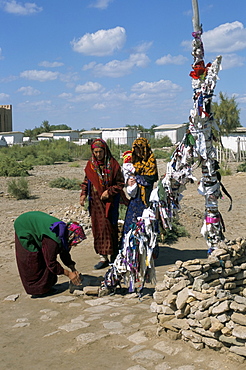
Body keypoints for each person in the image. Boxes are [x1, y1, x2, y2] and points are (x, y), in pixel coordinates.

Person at [14, 211, 86, 297]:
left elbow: (64, 252)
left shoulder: (64, 233)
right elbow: (51, 262)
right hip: (24, 225)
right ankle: (38, 290)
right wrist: (68, 274)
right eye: (75, 242)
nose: (75, 244)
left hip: (37, 225)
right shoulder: (53, 239)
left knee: (46, 256)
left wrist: (72, 268)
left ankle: (47, 287)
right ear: (71, 236)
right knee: (34, 259)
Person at [80, 138, 125, 269]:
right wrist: (83, 194)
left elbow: (120, 184)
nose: (98, 154)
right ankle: (102, 257)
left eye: (100, 152)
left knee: (110, 227)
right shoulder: (91, 165)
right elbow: (86, 181)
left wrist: (109, 192)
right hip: (95, 203)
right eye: (95, 152)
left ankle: (113, 255)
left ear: (105, 151)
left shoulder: (113, 164)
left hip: (109, 202)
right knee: (98, 229)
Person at [122, 137, 158, 236]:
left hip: (146, 195)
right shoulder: (134, 160)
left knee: (146, 221)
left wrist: (137, 178)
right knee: (132, 222)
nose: (137, 152)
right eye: (136, 149)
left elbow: (151, 177)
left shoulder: (150, 160)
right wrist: (129, 180)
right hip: (135, 197)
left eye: (140, 149)